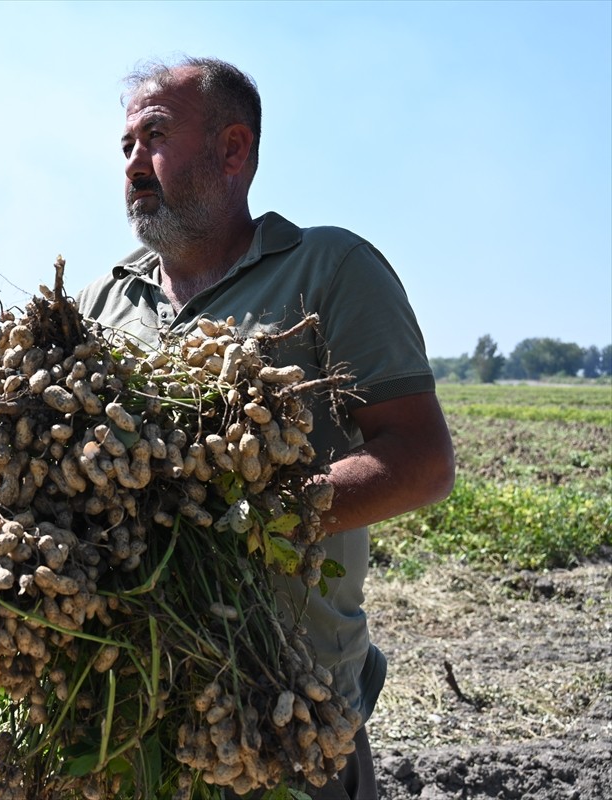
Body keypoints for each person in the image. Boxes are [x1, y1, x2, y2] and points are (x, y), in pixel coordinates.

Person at [77, 56, 456, 800]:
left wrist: (248, 517)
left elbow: (421, 460)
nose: (133, 164)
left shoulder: (329, 268)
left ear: (233, 150)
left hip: (283, 714)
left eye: (155, 137)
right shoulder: (98, 304)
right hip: (126, 718)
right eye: (125, 146)